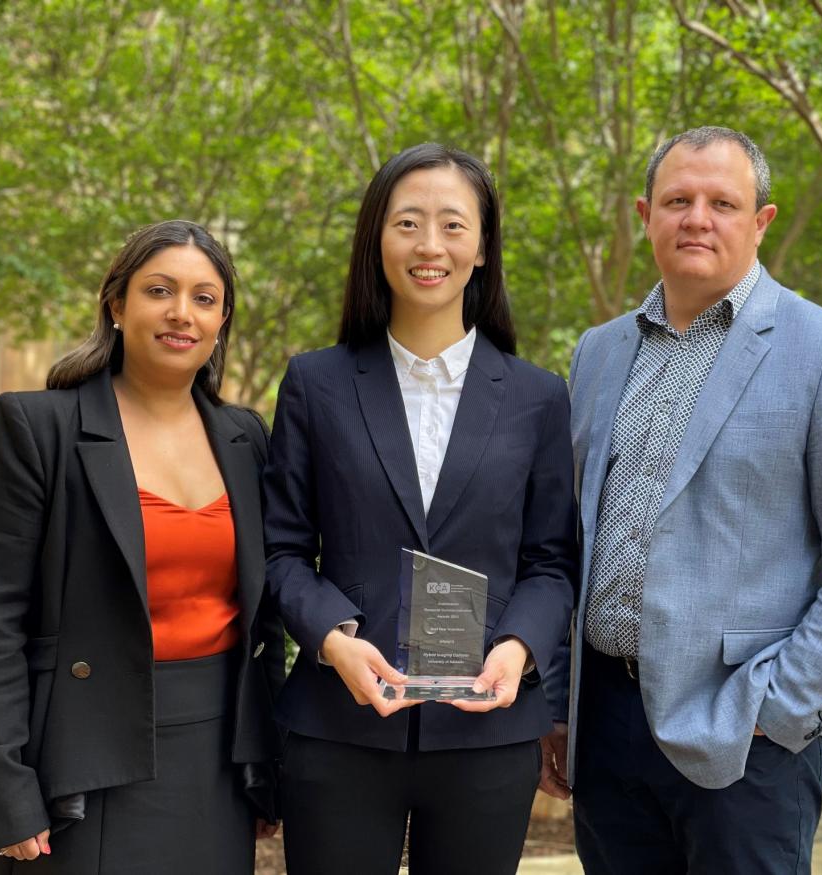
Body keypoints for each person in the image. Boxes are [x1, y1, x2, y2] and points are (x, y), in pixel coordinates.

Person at [543, 126, 822, 873]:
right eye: (678, 200)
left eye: (723, 202)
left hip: (744, 739)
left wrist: (776, 707)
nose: (697, 218)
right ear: (644, 214)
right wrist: (559, 702)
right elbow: (566, 541)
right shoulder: (598, 351)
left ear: (761, 220)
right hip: (606, 726)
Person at [264, 142, 577, 875]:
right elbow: (280, 552)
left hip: (485, 731)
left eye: (452, 224)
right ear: (378, 239)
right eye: (407, 223)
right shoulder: (316, 382)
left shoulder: (537, 396)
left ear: (483, 247)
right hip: (339, 726)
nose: (429, 245)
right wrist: (333, 639)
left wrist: (518, 648)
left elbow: (552, 560)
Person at [0, 220, 284, 874]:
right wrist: (3, 786)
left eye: (204, 297)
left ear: (222, 320)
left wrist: (266, 761)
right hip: (81, 758)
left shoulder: (246, 437)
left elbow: (264, 618)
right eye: (159, 290)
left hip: (217, 762)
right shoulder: (38, 427)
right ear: (117, 304)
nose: (180, 313)